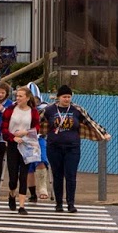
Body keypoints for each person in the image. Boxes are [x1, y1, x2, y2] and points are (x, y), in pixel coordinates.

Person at [42, 84, 89, 214]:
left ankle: (71, 203)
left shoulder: (76, 110)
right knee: (57, 176)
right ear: (58, 97)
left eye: (69, 97)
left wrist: (103, 133)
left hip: (72, 147)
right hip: (54, 147)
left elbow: (90, 122)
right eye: (64, 97)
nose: (67, 99)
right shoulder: (49, 110)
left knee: (71, 175)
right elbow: (37, 122)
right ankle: (58, 203)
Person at [2, 88, 42, 214]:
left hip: (26, 145)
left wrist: (26, 133)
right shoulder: (10, 110)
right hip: (13, 145)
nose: (18, 98)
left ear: (27, 98)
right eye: (17, 96)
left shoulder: (33, 112)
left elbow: (36, 127)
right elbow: (3, 128)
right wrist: (13, 137)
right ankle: (12, 194)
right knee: (13, 176)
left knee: (23, 175)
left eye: (20, 96)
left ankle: (22, 205)